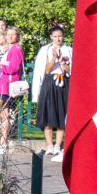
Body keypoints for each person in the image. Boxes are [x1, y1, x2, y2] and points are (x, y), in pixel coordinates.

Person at [33, 25, 73, 159]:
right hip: (50, 83)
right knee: (49, 114)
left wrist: (62, 62)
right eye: (55, 36)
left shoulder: (68, 50)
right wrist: (53, 58)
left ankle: (58, 145)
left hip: (63, 83)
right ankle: (50, 145)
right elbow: (46, 70)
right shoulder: (45, 50)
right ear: (51, 37)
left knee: (62, 114)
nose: (58, 39)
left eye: (60, 36)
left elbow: (70, 71)